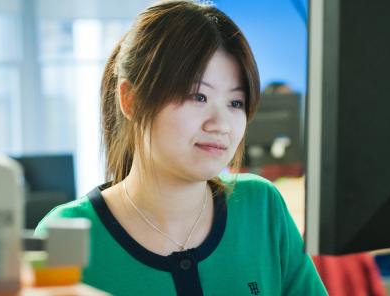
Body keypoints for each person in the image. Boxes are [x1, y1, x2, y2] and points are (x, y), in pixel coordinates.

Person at [35, 1, 327, 295]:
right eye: (198, 97)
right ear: (131, 100)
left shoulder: (261, 207)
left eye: (235, 103)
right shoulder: (67, 234)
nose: (221, 124)